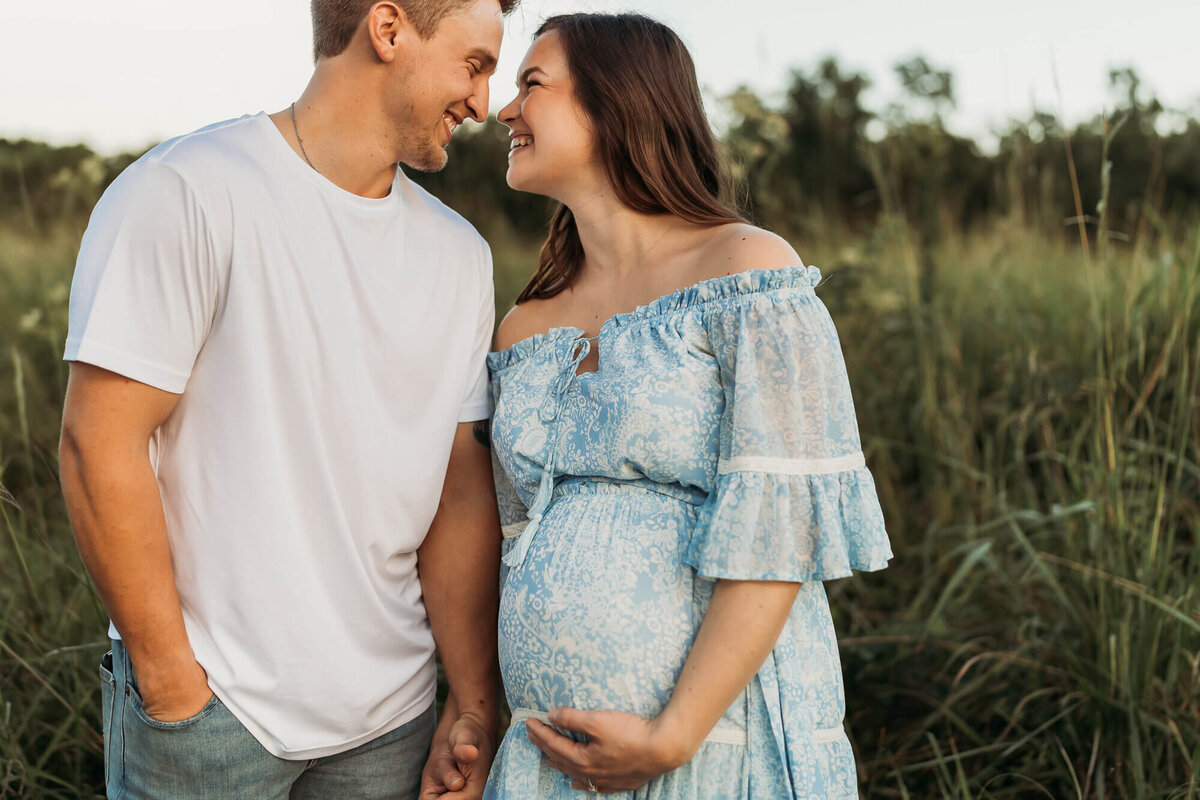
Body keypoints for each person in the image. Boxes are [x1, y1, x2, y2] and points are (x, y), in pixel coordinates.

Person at [57, 1, 518, 797]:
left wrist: (471, 702)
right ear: (387, 29)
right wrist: (173, 689)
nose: (483, 102)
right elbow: (97, 444)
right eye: (473, 65)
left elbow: (458, 492)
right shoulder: (187, 191)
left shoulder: (461, 257)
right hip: (212, 722)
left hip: (392, 727)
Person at [482, 13, 893, 798]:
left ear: (616, 103)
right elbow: (513, 538)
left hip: (716, 749)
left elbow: (781, 530)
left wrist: (671, 737)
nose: (506, 110)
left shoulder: (749, 274)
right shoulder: (525, 326)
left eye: (530, 85)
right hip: (549, 759)